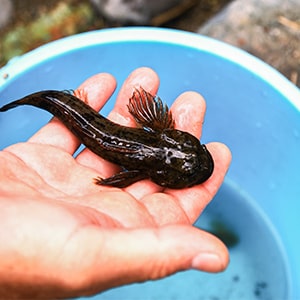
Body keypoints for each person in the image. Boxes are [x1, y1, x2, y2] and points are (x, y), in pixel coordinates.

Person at [0, 67, 231, 299]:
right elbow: (121, 179)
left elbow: (121, 178)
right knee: (55, 101)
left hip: (90, 118)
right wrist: (109, 183)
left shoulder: (157, 141)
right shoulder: (144, 169)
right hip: (74, 112)